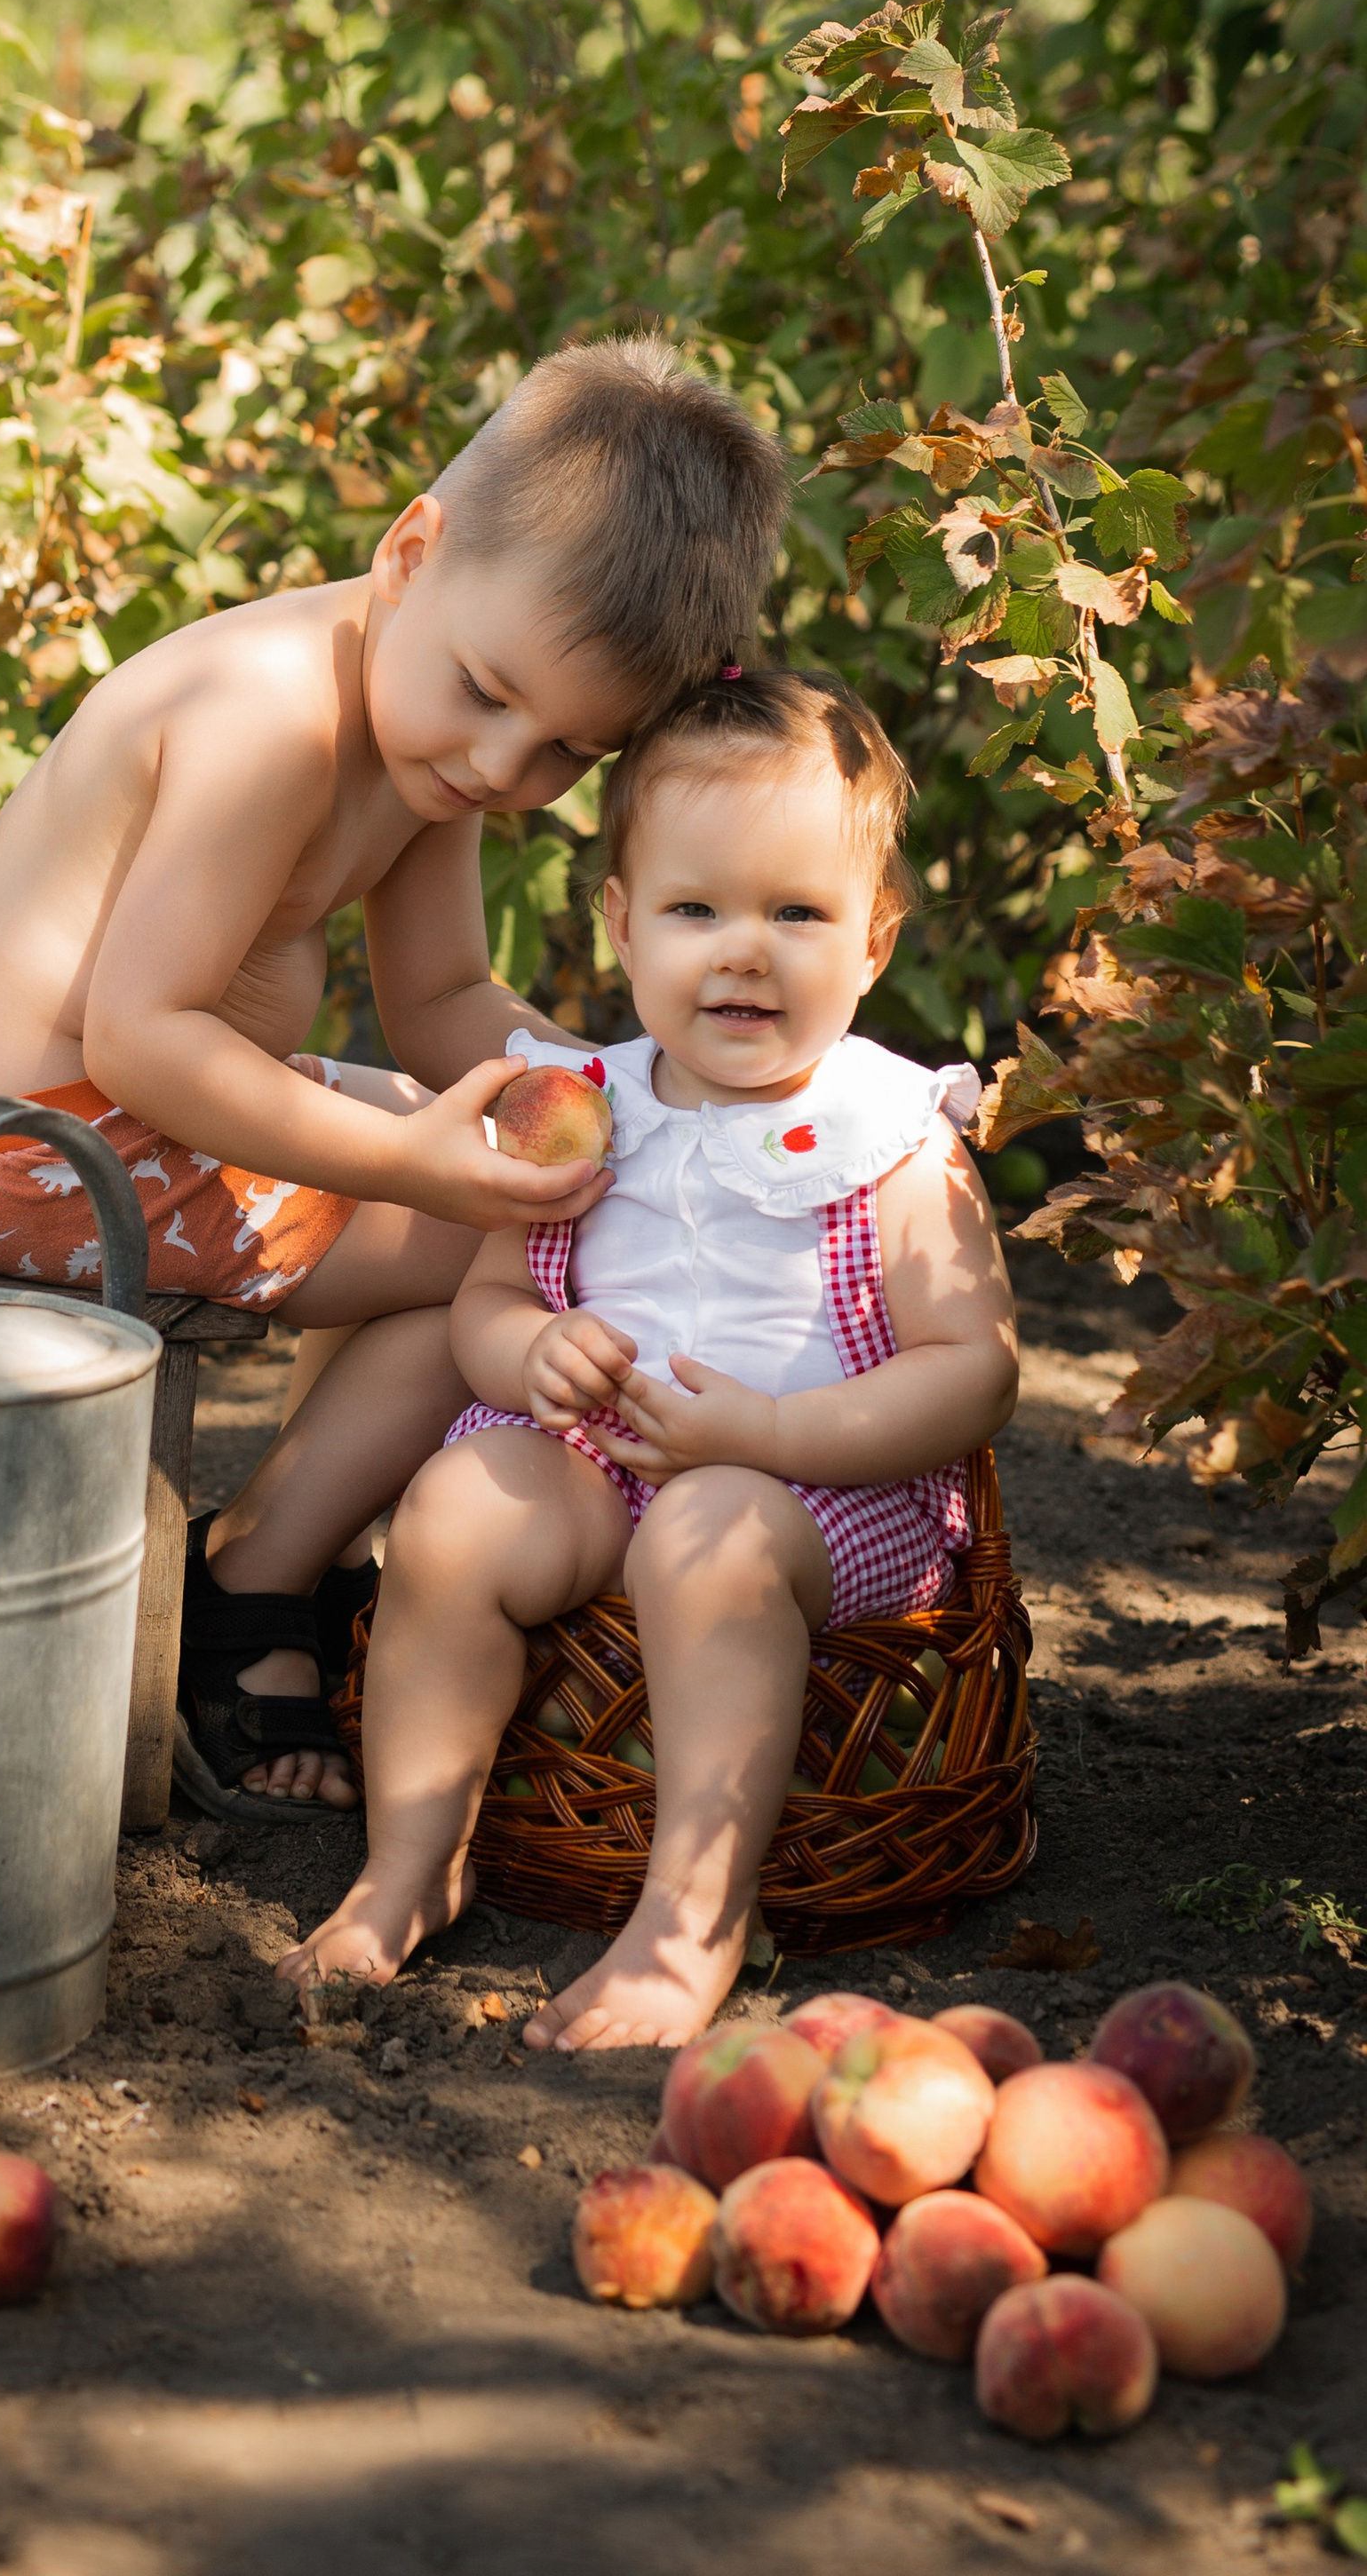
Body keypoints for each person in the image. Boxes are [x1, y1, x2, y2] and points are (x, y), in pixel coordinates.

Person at [0, 338, 788, 1818]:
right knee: (501, 1234)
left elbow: (445, 998)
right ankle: (252, 1585)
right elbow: (139, 1031)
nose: (507, 767)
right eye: (492, 696)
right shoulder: (271, 713)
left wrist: (638, 1096)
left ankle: (296, 1545)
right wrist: (413, 1166)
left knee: (550, 1188)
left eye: (567, 755)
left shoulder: (428, 739)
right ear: (411, 552)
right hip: (42, 1164)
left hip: (146, 1132)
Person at [280, 666, 1018, 2042]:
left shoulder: (895, 1135)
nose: (743, 951)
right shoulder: (585, 1109)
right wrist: (533, 1349)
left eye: (798, 913)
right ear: (621, 923)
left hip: (817, 1500)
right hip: (598, 1467)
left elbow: (975, 1372)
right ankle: (411, 1861)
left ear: (875, 941)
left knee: (709, 1532)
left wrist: (773, 1438)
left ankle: (691, 1920)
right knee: (452, 1506)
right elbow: (487, 1301)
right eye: (697, 910)